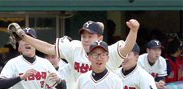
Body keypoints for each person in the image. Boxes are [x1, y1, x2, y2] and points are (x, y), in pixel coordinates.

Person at [8, 19, 139, 82]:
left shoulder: (108, 53)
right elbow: (49, 48)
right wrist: (24, 37)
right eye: (84, 36)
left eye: (90, 36)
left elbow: (127, 47)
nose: (86, 39)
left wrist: (133, 31)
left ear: (100, 38)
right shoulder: (75, 48)